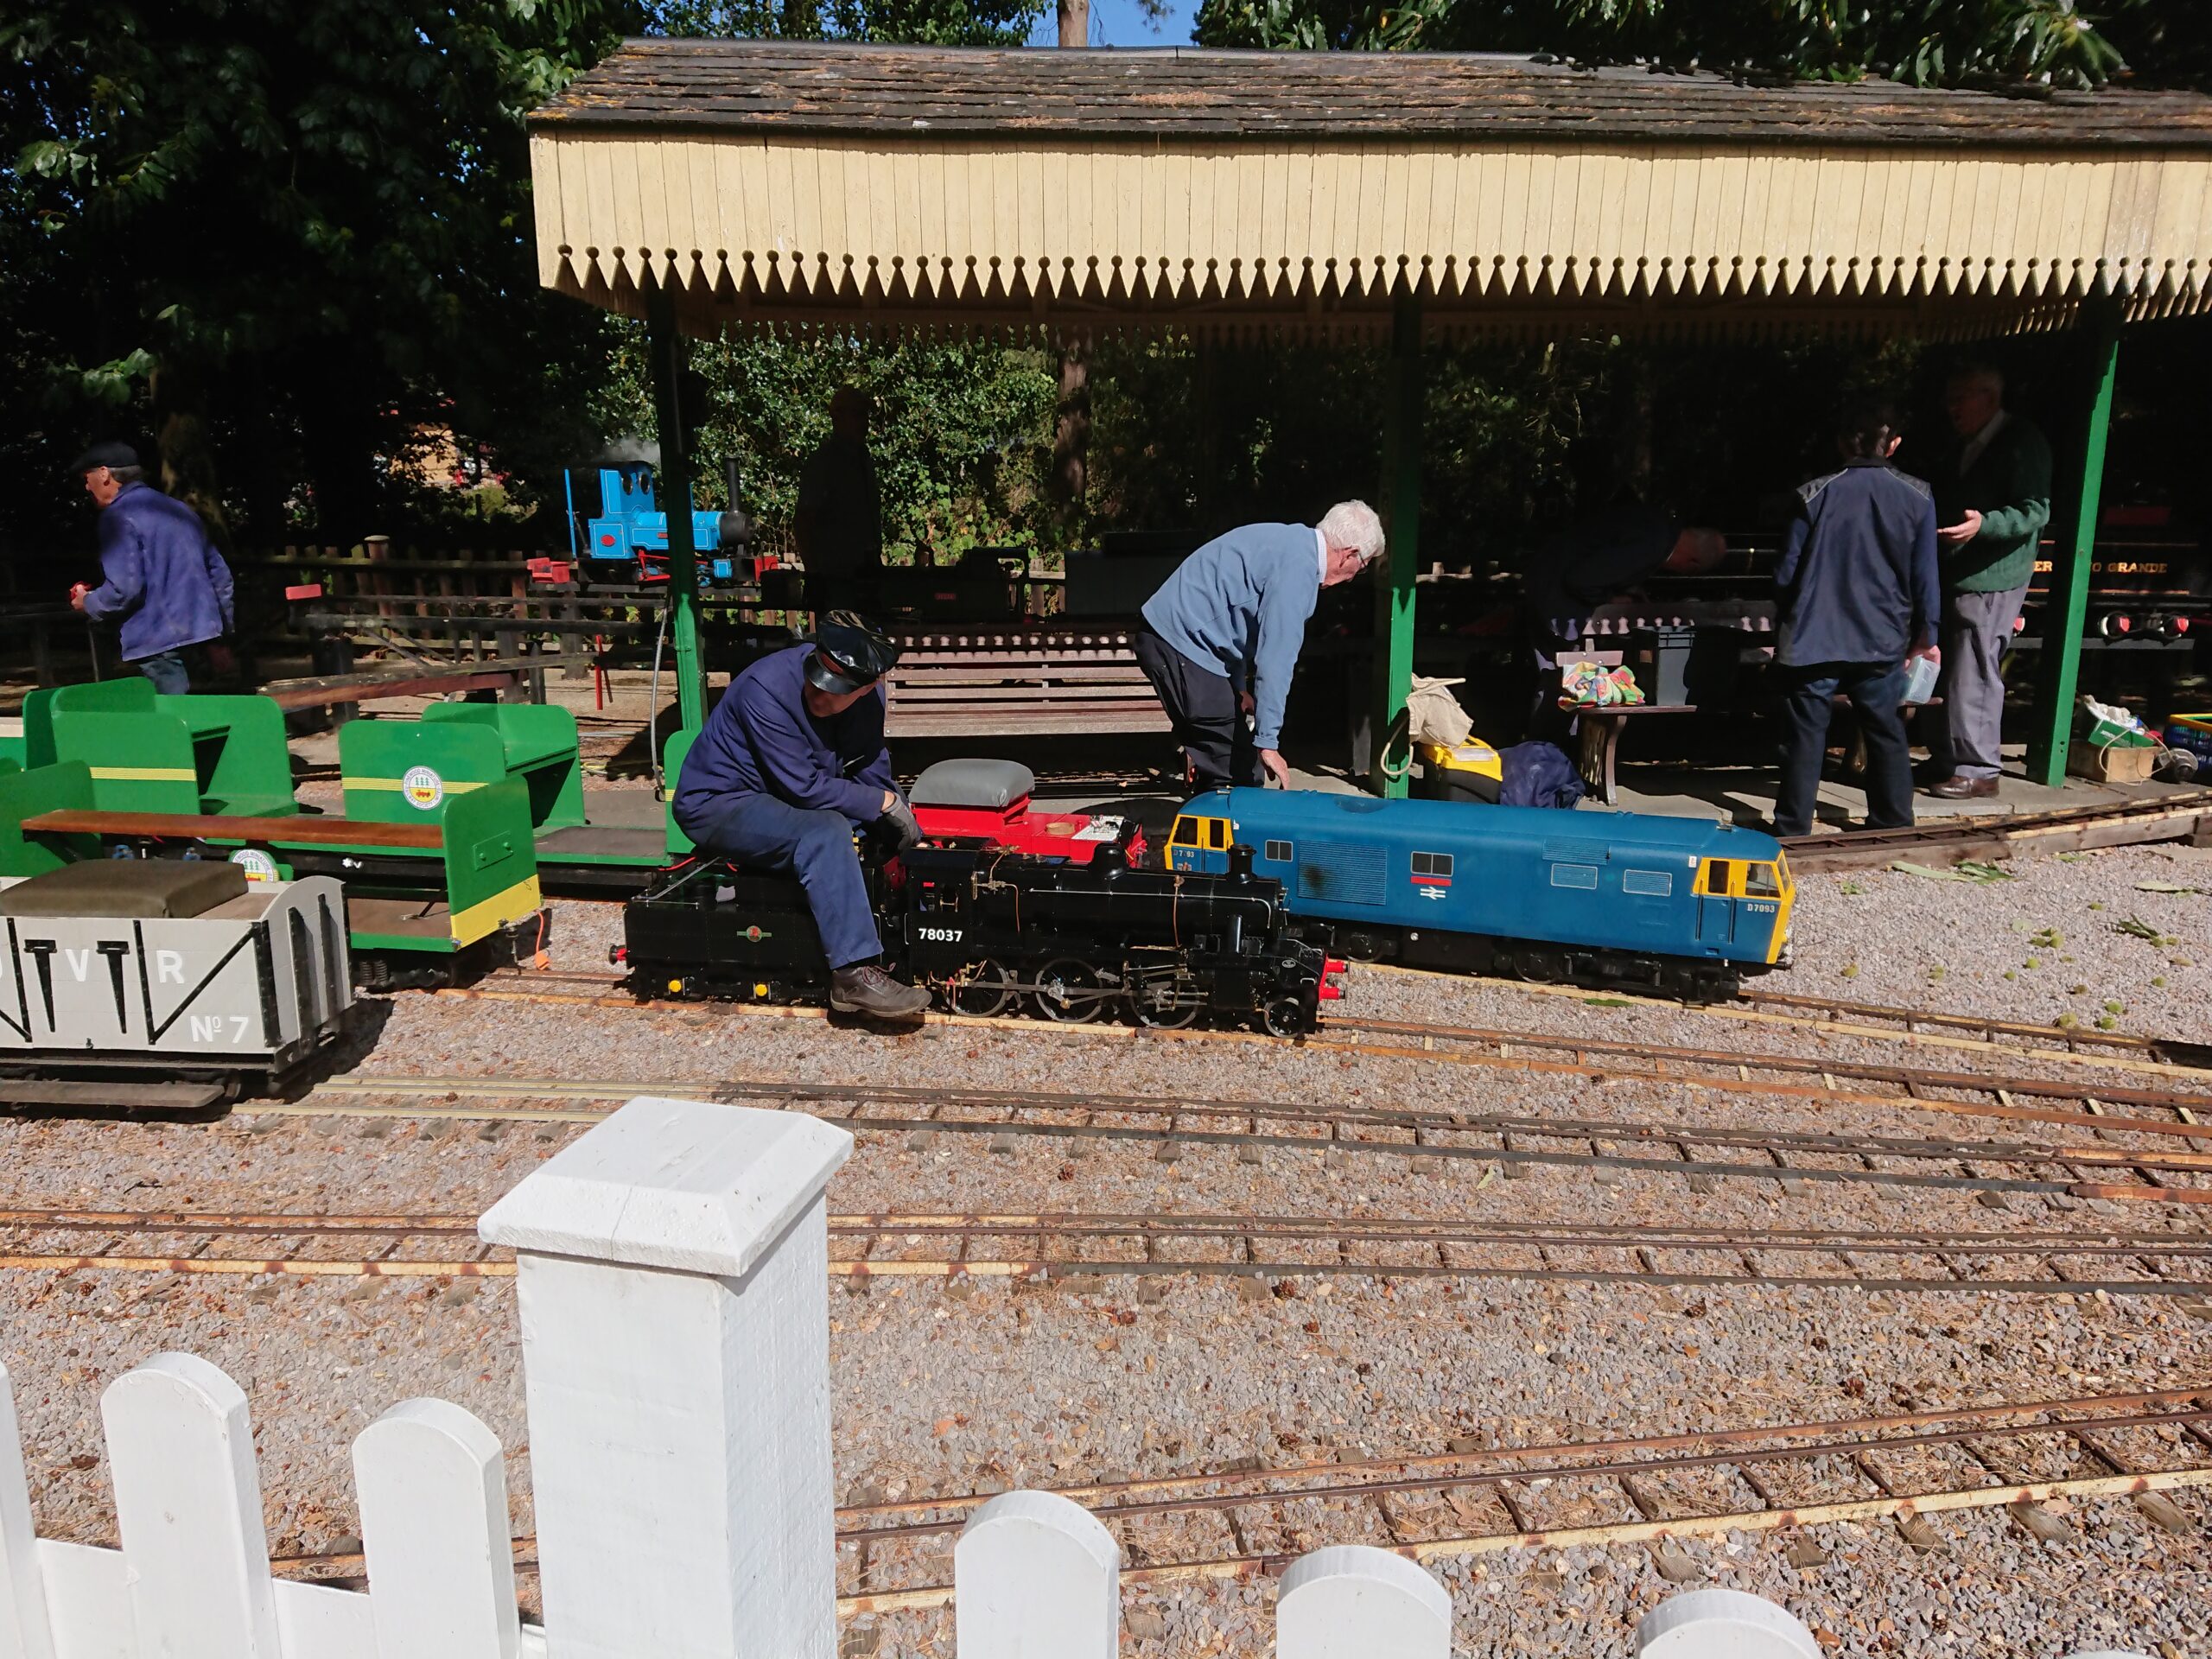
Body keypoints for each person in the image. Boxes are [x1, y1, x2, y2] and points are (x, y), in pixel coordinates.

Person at [671, 612, 931, 1020]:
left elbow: (867, 764)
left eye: (834, 692)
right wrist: (880, 803)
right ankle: (852, 974)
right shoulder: (765, 689)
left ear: (867, 687)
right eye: (816, 682)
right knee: (825, 831)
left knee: (869, 823)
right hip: (718, 802)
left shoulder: (869, 700)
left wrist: (898, 815)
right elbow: (803, 788)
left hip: (776, 798)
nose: (819, 695)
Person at [1770, 397, 1941, 839]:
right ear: (1895, 444)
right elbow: (1925, 577)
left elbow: (1786, 573)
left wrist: (1787, 618)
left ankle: (1793, 828)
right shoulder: (1918, 497)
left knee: (1806, 735)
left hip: (1812, 635)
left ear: (1842, 443)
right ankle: (1894, 821)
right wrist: (1926, 635)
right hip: (1882, 635)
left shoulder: (1812, 494)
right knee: (1885, 730)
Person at [1134, 501, 1385, 789]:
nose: (1354, 576)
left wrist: (1239, 687)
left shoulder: (1291, 543)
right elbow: (1276, 661)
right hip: (1180, 644)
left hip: (1181, 641)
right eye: (1362, 568)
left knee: (1226, 761)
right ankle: (1221, 827)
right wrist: (1268, 743)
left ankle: (1208, 823)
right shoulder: (1298, 572)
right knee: (1239, 771)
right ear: (1350, 554)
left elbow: (1237, 621)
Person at [1923, 363, 2053, 800]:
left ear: (1991, 398)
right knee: (1952, 669)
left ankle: (1978, 769)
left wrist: (1986, 524)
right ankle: (1949, 758)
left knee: (1975, 669)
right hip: (1958, 573)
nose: (1952, 407)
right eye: (1950, 398)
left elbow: (2036, 509)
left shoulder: (2022, 441)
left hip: (1994, 577)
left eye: (1962, 396)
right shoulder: (1964, 444)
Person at [1519, 501, 1726, 739]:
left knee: (1565, 683)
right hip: (1556, 599)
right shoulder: (1651, 545)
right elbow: (1582, 579)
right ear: (1692, 564)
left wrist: (1629, 588)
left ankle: (1554, 751)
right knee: (1561, 683)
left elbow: (1607, 556)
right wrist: (1612, 598)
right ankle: (1545, 753)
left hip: (1548, 580)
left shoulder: (1659, 525)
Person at [67, 442, 234, 695]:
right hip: (202, 635)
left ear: (104, 473)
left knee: (174, 723)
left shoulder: (117, 517)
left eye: (87, 477)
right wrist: (220, 634)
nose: (86, 486)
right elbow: (219, 575)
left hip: (157, 642)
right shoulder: (180, 510)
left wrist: (88, 602)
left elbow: (124, 589)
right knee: (203, 718)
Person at [794, 386, 883, 594]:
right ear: (838, 417)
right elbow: (803, 521)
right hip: (836, 582)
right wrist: (815, 574)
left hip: (868, 577)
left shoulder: (864, 460)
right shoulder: (823, 463)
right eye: (858, 415)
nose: (865, 423)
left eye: (866, 416)